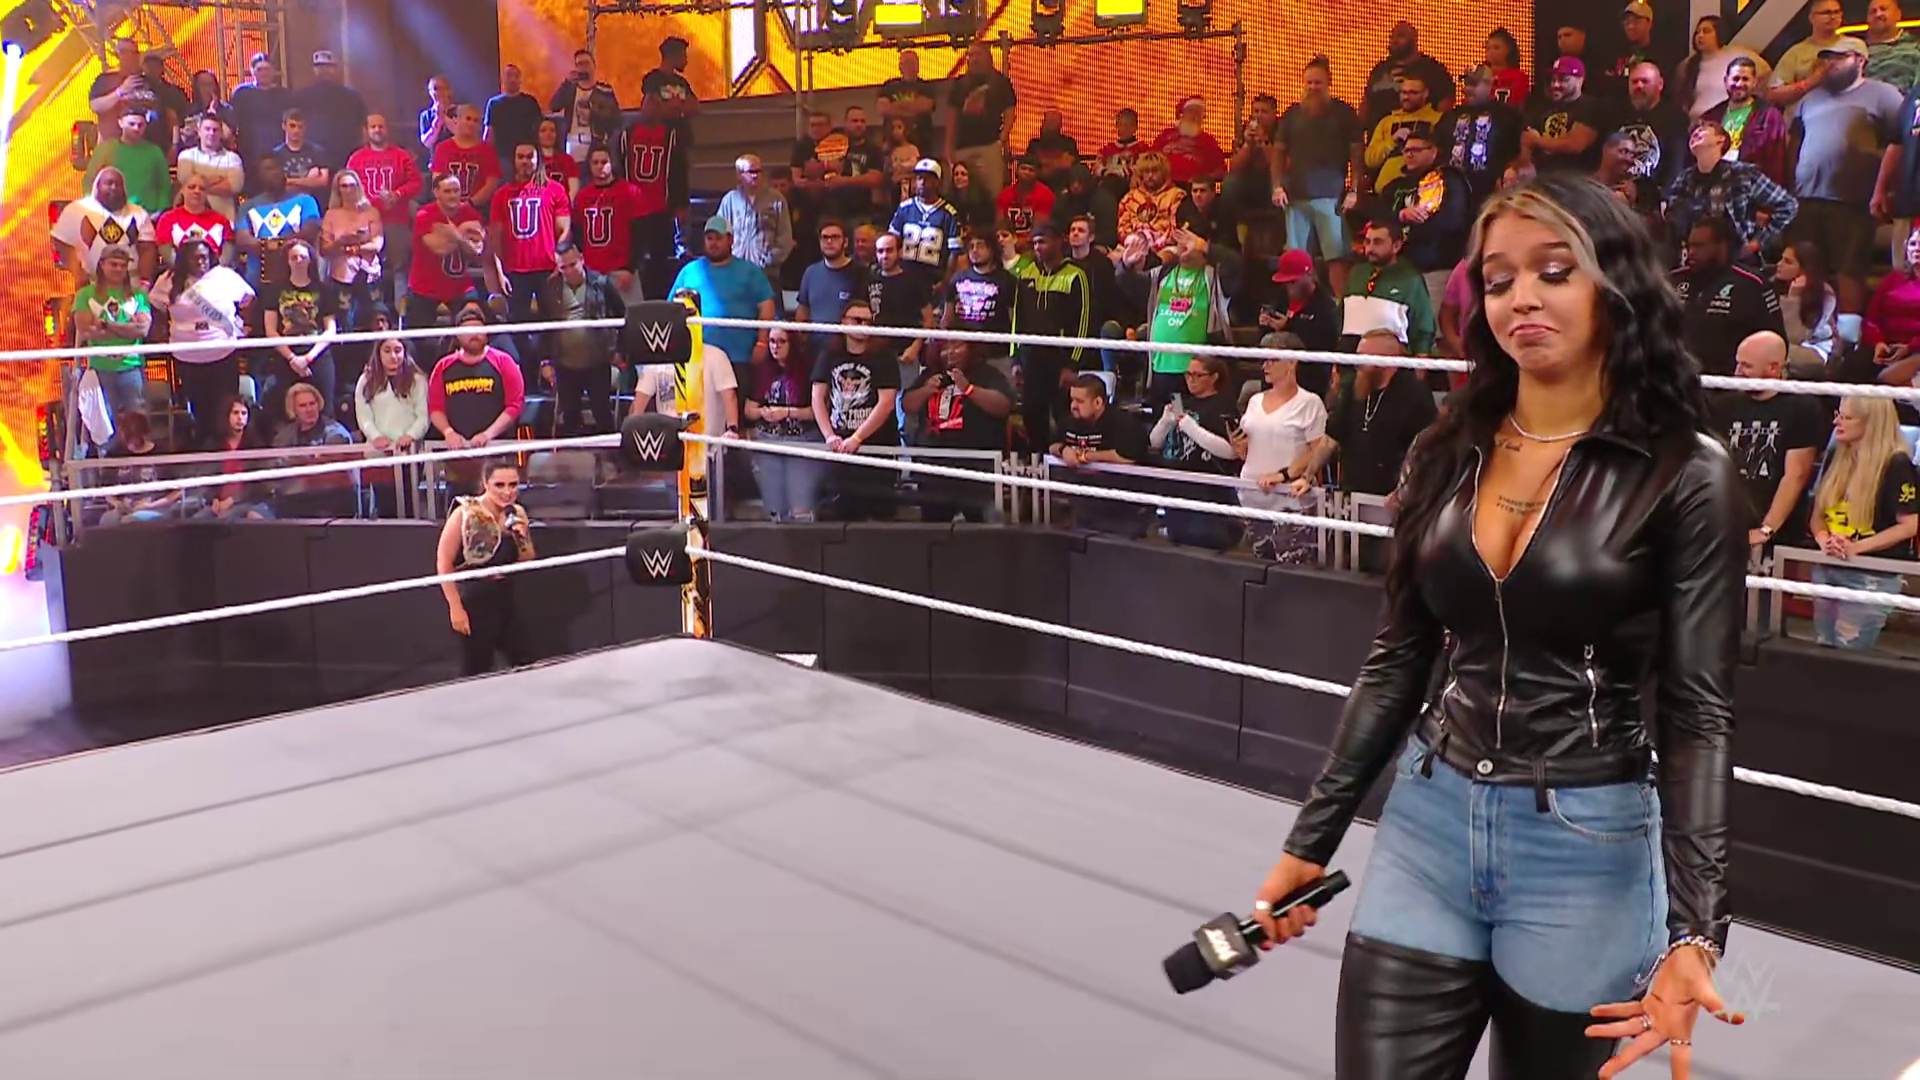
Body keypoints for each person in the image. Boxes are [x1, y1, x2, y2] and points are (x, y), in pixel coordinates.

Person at [1250, 173, 1746, 1079]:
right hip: (1429, 823)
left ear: (1614, 284)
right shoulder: (1447, 447)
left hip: (1586, 842)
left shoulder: (1685, 471)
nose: (1522, 297)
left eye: (1555, 270)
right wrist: (1309, 841)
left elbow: (1697, 712)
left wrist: (1696, 930)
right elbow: (1398, 659)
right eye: (1499, 278)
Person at [436, 458, 537, 677]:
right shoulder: (465, 513)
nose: (507, 492)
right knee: (477, 668)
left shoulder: (517, 513)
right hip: (475, 599)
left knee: (525, 660)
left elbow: (527, 559)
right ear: (485, 483)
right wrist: (455, 607)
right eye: (499, 485)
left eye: (513, 485)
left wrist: (521, 537)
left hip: (505, 596)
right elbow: (443, 562)